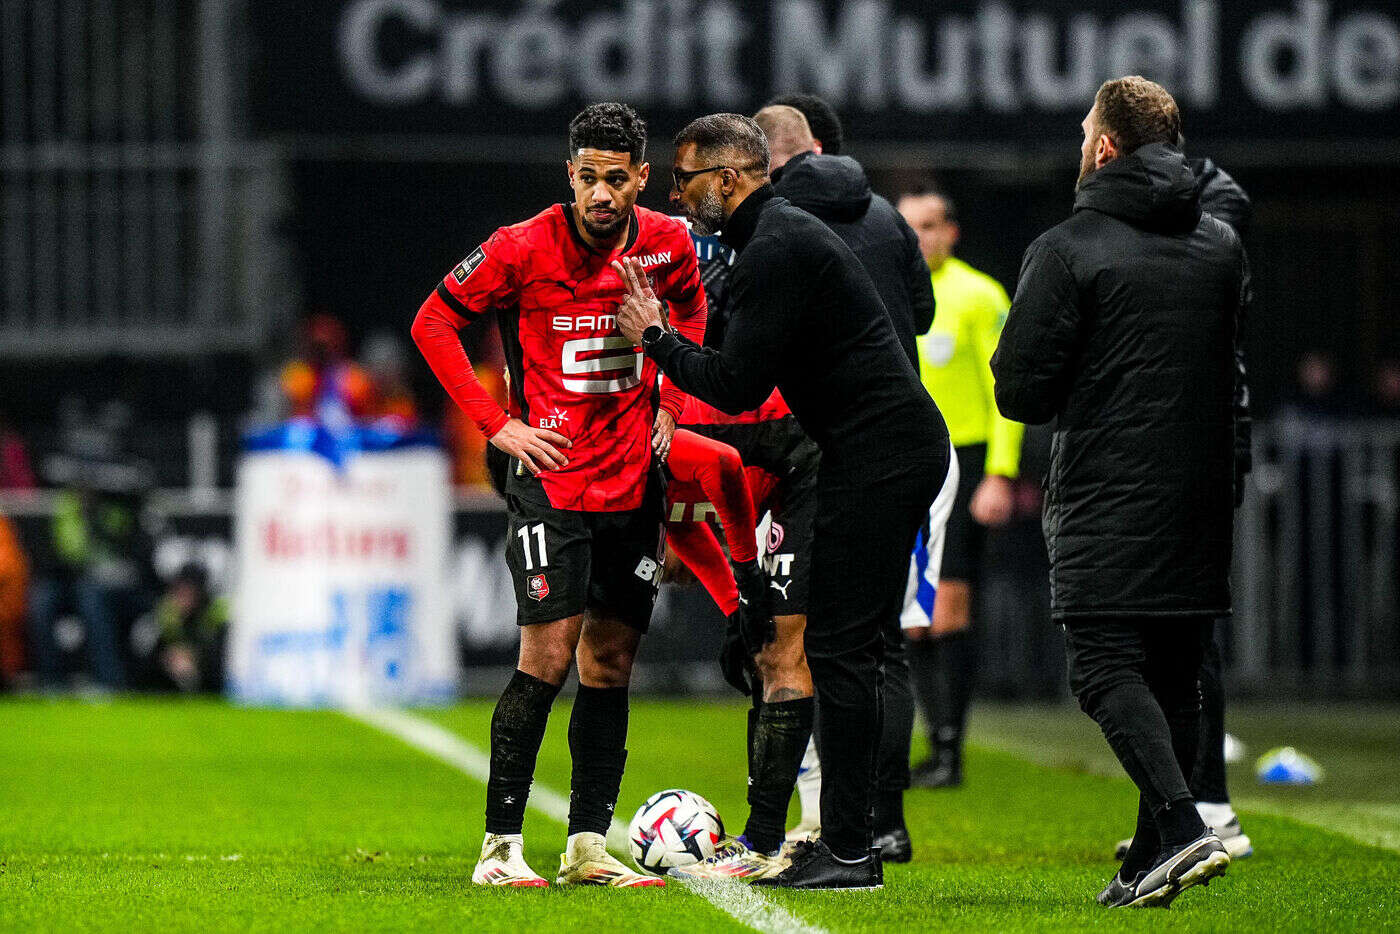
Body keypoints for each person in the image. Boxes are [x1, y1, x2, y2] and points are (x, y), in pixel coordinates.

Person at [615, 113, 949, 890]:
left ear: (728, 179)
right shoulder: (772, 239)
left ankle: (851, 849)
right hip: (874, 451)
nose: (677, 192)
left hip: (882, 455)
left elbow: (737, 384)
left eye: (686, 178)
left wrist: (657, 339)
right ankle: (847, 842)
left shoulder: (773, 246)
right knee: (844, 648)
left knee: (843, 650)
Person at [410, 102, 708, 888]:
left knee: (610, 662)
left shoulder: (670, 243)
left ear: (643, 178)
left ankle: (586, 846)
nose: (601, 194)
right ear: (568, 173)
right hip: (551, 478)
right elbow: (433, 321)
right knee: (546, 654)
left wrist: (673, 410)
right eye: (588, 178)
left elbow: (694, 313)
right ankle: (500, 849)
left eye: (617, 179)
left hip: (634, 481)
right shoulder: (520, 247)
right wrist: (498, 424)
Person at [991, 76, 1247, 907]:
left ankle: (1179, 825)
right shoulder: (1219, 244)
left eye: (1082, 134)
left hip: (1108, 489)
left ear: (1105, 148)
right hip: (1202, 493)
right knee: (1174, 675)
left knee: (1103, 667)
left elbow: (1021, 392)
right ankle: (1147, 855)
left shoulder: (1068, 248)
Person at [754, 101, 939, 861]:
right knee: (879, 644)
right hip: (906, 432)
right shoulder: (891, 218)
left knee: (793, 639)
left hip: (819, 438)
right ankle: (879, 823)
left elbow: (750, 352)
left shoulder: (776, 226)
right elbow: (920, 315)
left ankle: (818, 830)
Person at [1113, 154, 1256, 863]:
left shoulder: (1214, 209)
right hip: (1178, 436)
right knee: (1166, 631)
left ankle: (1210, 806)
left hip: (1194, 437)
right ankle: (1181, 812)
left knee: (1185, 630)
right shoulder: (1193, 205)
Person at [896, 185, 1024, 789]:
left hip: (964, 461)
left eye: (928, 225)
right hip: (906, 465)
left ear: (952, 231)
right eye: (908, 226)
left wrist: (999, 472)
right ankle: (932, 743)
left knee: (947, 608)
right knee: (911, 616)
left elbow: (1007, 393)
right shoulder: (892, 290)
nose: (918, 238)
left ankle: (950, 750)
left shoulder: (978, 295)